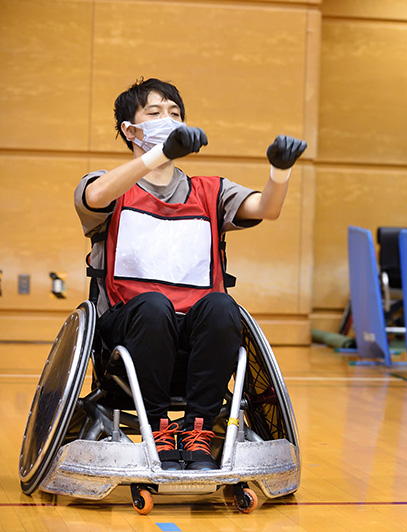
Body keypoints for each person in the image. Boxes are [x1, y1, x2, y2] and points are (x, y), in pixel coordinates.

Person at [74, 78, 306, 470]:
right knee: (152, 306)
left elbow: (266, 208)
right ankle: (160, 428)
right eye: (155, 113)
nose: (169, 119)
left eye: (175, 114)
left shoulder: (210, 191)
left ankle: (199, 432)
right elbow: (94, 198)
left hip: (194, 334)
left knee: (221, 306)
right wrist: (156, 155)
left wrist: (279, 172)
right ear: (130, 130)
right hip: (129, 333)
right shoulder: (108, 185)